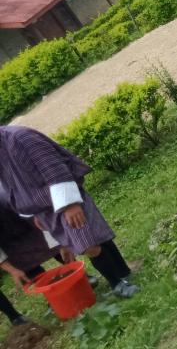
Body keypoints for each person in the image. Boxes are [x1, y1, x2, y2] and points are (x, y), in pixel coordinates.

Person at [0, 126, 137, 298]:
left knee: (88, 245)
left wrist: (70, 204)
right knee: (94, 237)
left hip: (64, 199)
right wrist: (34, 213)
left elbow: (53, 167)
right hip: (44, 209)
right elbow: (14, 188)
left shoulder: (19, 138)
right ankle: (123, 273)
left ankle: (117, 283)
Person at [0, 204, 74, 326]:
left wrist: (60, 243)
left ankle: (79, 277)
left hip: (23, 215)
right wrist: (12, 270)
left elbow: (38, 210)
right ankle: (54, 297)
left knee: (51, 243)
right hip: (7, 240)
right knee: (23, 262)